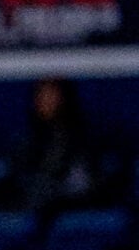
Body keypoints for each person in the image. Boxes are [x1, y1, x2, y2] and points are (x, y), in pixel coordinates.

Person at [19, 79, 105, 212]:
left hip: (78, 203)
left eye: (51, 94)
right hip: (40, 204)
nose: (45, 100)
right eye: (41, 95)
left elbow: (90, 182)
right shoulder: (27, 141)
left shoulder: (86, 138)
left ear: (64, 97)